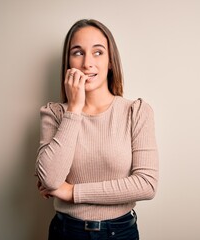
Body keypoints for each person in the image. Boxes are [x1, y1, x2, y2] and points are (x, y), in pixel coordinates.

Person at [35, 19, 159, 240]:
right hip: (66, 232)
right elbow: (51, 180)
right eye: (78, 52)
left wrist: (72, 192)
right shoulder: (54, 114)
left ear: (111, 61)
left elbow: (146, 184)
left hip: (120, 232)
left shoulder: (136, 111)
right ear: (68, 63)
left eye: (98, 52)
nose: (87, 63)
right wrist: (74, 109)